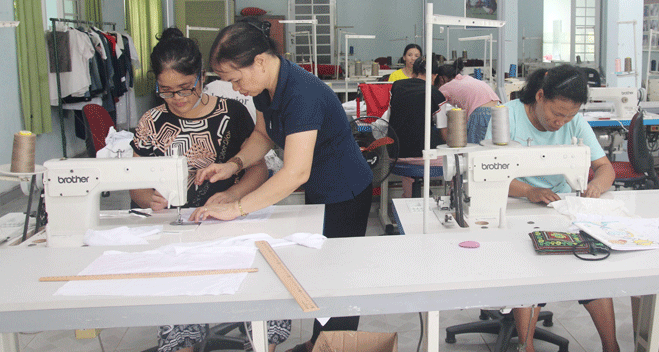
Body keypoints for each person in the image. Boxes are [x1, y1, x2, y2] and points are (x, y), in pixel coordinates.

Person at [189, 20, 374, 352]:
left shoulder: (302, 94)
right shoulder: (264, 88)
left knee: (338, 280)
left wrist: (237, 207)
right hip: (321, 188)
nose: (234, 88)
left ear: (260, 61)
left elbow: (295, 173)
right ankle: (321, 343)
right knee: (322, 273)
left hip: (346, 191)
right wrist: (233, 165)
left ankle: (335, 346)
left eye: (235, 78)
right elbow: (263, 136)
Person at [129, 27, 289, 352]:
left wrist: (232, 195)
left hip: (230, 224)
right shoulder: (151, 122)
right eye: (167, 91)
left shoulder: (231, 113)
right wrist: (149, 198)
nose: (179, 99)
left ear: (202, 77)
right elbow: (136, 182)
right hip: (176, 232)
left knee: (265, 297)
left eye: (186, 88)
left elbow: (257, 168)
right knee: (177, 304)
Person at [485, 64, 619, 352]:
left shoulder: (573, 121)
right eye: (557, 113)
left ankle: (612, 347)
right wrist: (529, 191)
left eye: (570, 115)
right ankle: (527, 346)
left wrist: (597, 185)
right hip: (512, 207)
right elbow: (489, 172)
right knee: (527, 269)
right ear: (540, 96)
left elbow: (604, 167)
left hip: (559, 207)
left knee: (592, 266)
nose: (562, 122)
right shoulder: (507, 117)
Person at [387, 56, 446, 198]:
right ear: (435, 76)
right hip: (421, 157)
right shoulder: (436, 94)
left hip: (395, 154)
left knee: (410, 147)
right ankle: (448, 197)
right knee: (458, 160)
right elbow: (444, 130)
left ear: (413, 71)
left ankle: (409, 196)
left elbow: (388, 117)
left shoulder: (396, 86)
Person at [436, 57, 500, 143]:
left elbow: (438, 108)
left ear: (440, 78)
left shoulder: (445, 87)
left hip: (481, 112)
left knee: (476, 150)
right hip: (498, 109)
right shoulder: (466, 78)